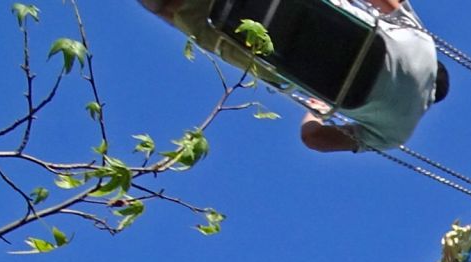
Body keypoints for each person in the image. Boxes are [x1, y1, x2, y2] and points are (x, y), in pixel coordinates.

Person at [136, 0, 449, 154]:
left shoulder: (426, 45)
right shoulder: (397, 135)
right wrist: (314, 111)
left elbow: (386, 3)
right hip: (283, 57)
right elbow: (314, 139)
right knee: (187, 19)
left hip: (313, 11)